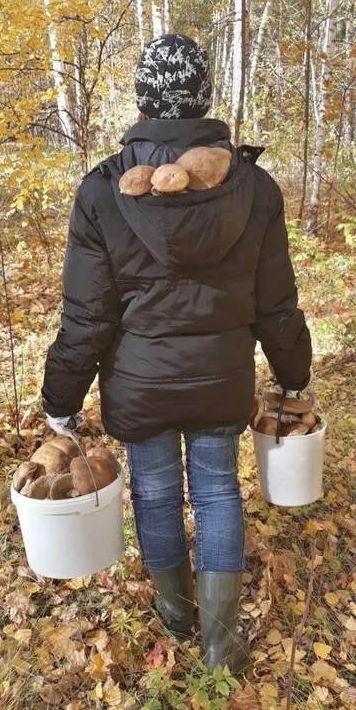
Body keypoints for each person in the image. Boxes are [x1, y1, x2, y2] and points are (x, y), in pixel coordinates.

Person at [41, 33, 312, 673]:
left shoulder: (103, 191)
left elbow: (87, 314)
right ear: (203, 97)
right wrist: (294, 376)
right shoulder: (254, 186)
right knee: (218, 492)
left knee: (156, 494)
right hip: (220, 378)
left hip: (140, 384)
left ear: (143, 99)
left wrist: (60, 403)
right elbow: (276, 302)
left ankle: (176, 612)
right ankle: (222, 640)